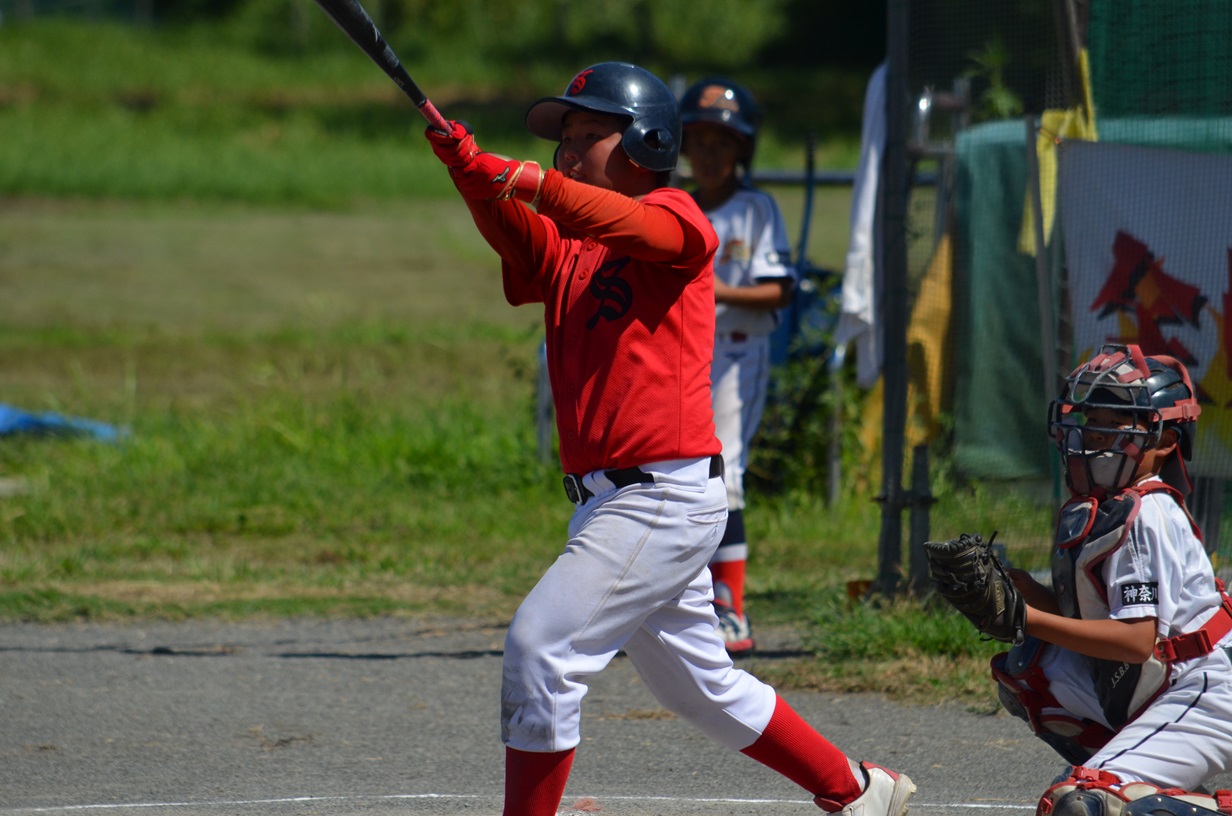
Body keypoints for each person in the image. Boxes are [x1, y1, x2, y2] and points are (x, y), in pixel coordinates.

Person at [423, 61, 916, 816]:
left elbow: (618, 221)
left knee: (541, 650)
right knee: (702, 688)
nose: (568, 151)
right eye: (565, 139)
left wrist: (522, 177)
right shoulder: (571, 247)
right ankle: (857, 790)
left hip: (658, 496)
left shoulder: (678, 215)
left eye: (589, 134)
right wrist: (471, 174)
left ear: (648, 142)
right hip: (614, 502)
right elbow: (523, 240)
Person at [990, 343, 1232, 815]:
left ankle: (1118, 785)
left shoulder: (1148, 512)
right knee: (1030, 672)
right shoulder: (1112, 504)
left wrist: (1030, 617)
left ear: (1165, 441)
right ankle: (1123, 769)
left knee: (1085, 805)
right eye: (1091, 419)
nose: (1093, 434)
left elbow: (1134, 641)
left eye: (1114, 424)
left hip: (1206, 688)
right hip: (1167, 678)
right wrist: (1022, 591)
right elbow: (1097, 619)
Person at [678, 77, 796, 656]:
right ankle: (685, 602)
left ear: (742, 149)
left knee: (722, 474)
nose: (709, 153)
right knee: (677, 473)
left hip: (737, 350)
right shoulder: (672, 204)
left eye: (723, 142)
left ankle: (732, 609)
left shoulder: (755, 209)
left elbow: (778, 290)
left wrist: (715, 288)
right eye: (698, 140)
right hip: (682, 351)